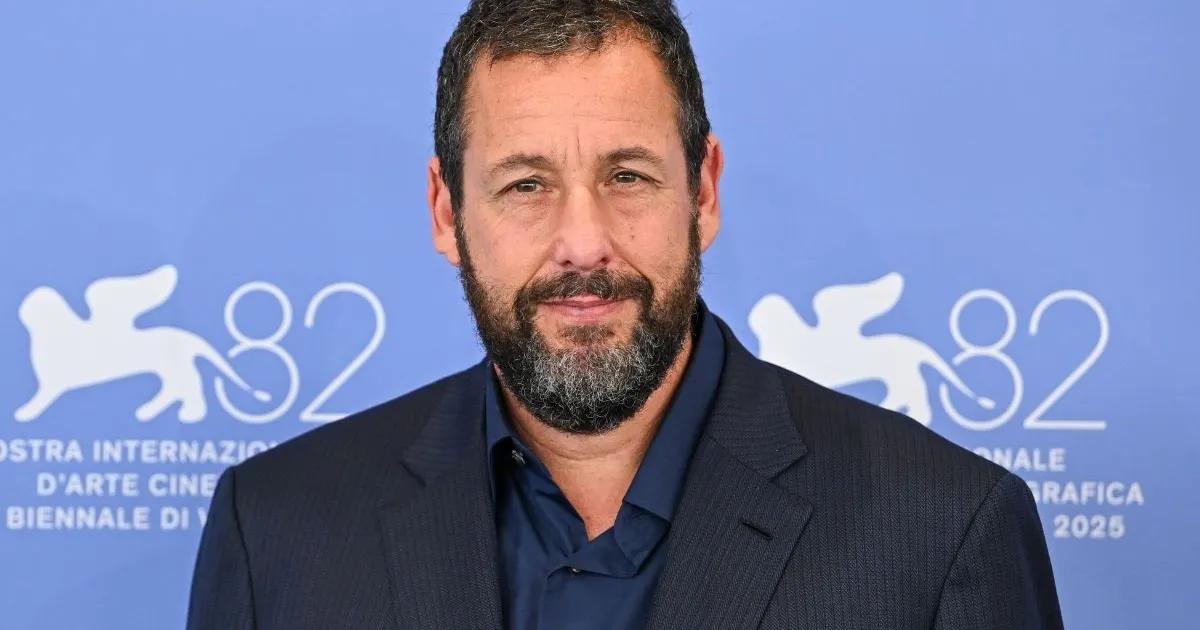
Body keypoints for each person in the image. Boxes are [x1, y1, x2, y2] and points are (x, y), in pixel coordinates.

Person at [186, 1, 1064, 628]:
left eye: (628, 176)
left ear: (704, 191)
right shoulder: (277, 532)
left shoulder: (943, 531)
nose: (584, 243)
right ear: (447, 212)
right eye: (526, 185)